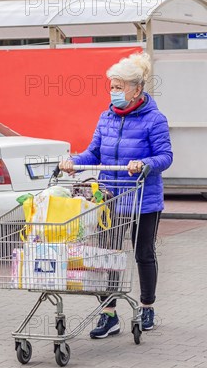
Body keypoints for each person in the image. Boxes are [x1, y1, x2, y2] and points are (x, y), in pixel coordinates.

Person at [59, 52, 173, 339]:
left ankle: (146, 306)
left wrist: (145, 164)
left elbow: (165, 156)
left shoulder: (154, 119)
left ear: (136, 89)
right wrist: (74, 161)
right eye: (111, 86)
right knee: (106, 256)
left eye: (119, 86)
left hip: (142, 199)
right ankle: (109, 313)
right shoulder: (106, 117)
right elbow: (93, 152)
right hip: (110, 199)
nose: (113, 91)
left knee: (143, 253)